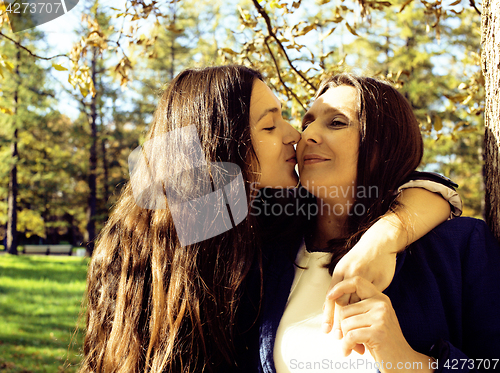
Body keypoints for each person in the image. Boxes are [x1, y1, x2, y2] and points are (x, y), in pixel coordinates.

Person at [79, 66, 460, 373]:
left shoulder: (453, 247)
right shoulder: (254, 236)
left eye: (337, 122)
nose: (300, 134)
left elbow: (432, 186)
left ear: (384, 143)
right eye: (271, 124)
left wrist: (387, 237)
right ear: (226, 144)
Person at [260, 73, 500, 373]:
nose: (306, 135)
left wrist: (408, 362)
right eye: (307, 122)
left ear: (383, 143)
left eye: (336, 122)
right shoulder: (267, 250)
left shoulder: (459, 246)